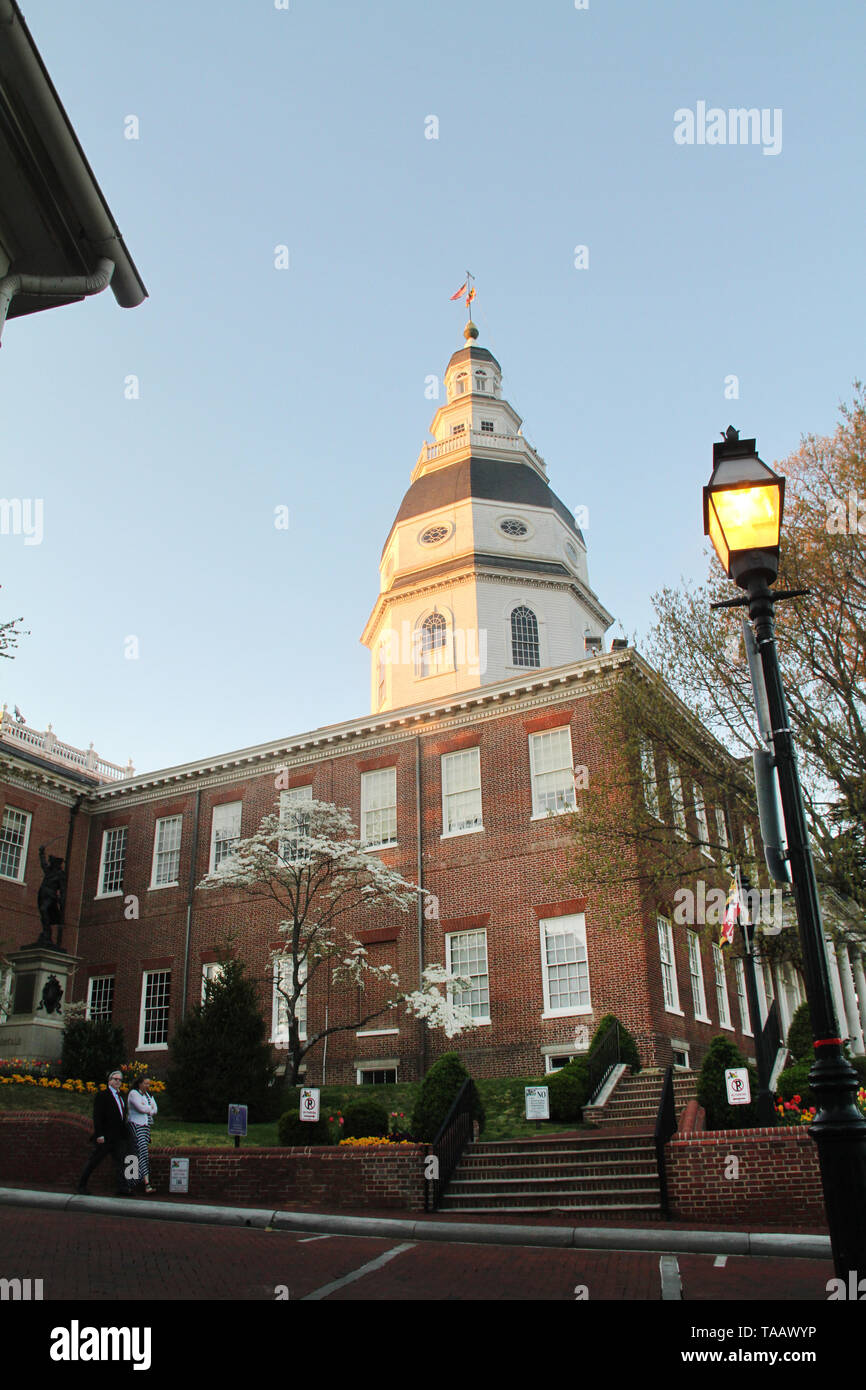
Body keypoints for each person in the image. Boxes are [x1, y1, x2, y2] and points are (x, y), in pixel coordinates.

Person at [76, 1069, 133, 1196]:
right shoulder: (103, 1095)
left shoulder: (121, 1096)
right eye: (115, 1079)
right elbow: (98, 1116)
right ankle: (81, 1185)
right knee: (94, 1161)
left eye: (120, 1080)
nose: (118, 1081)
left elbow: (122, 1117)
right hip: (106, 1137)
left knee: (120, 1162)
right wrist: (99, 1134)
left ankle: (122, 1188)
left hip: (118, 1137)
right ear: (109, 1081)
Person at [126, 1075, 158, 1193]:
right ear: (139, 1083)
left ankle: (145, 1182)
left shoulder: (148, 1095)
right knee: (134, 1153)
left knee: (143, 1153)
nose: (147, 1086)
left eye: (148, 1084)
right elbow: (141, 1109)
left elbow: (155, 1109)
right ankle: (130, 1182)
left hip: (145, 1127)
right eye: (145, 1083)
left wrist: (148, 1108)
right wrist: (149, 1108)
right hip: (135, 1126)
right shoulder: (134, 1094)